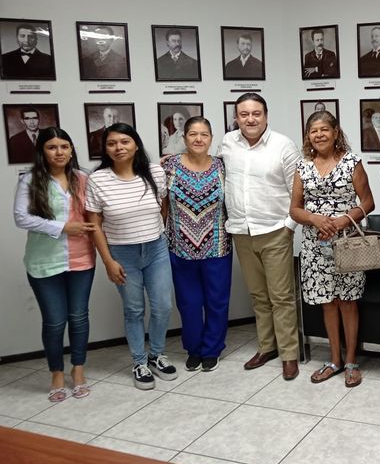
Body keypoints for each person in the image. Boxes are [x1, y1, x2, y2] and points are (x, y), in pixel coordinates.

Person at [85, 123, 177, 390]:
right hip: (122, 253)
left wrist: (154, 230)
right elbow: (95, 224)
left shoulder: (154, 172)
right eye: (112, 143)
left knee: (163, 306)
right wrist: (108, 261)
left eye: (125, 141)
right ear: (105, 148)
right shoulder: (98, 179)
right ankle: (139, 361)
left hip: (156, 248)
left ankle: (157, 354)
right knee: (134, 309)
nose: (119, 148)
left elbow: (163, 205)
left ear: (136, 144)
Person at [218, 93, 302, 379]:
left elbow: (298, 192)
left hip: (275, 230)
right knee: (258, 296)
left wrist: (289, 225)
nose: (250, 119)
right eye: (244, 114)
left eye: (256, 113)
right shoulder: (228, 143)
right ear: (236, 117)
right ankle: (268, 347)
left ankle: (289, 354)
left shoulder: (283, 145)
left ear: (266, 115)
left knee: (281, 297)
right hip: (241, 231)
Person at [290, 111, 375, 387]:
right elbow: (294, 209)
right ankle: (334, 360)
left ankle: (351, 361)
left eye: (325, 129)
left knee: (348, 302)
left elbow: (368, 202)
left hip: (346, 243)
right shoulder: (303, 167)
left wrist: (340, 221)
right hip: (316, 245)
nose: (319, 135)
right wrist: (314, 218)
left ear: (336, 132)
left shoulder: (352, 162)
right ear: (308, 137)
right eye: (313, 131)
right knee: (328, 303)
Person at [13, 128, 97, 402]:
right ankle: (57, 374)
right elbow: (21, 218)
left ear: (72, 150)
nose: (59, 152)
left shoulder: (82, 178)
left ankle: (79, 370)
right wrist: (62, 227)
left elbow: (95, 215)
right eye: (52, 147)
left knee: (79, 317)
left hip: (82, 258)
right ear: (42, 151)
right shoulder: (30, 179)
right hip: (43, 262)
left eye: (64, 146)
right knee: (54, 321)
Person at [163, 116, 232, 373]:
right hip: (180, 248)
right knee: (189, 302)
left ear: (211, 139)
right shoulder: (169, 166)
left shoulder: (223, 167)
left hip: (217, 246)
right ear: (184, 138)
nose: (198, 139)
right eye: (193, 134)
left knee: (217, 301)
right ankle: (194, 348)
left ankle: (212, 349)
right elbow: (163, 204)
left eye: (204, 134)